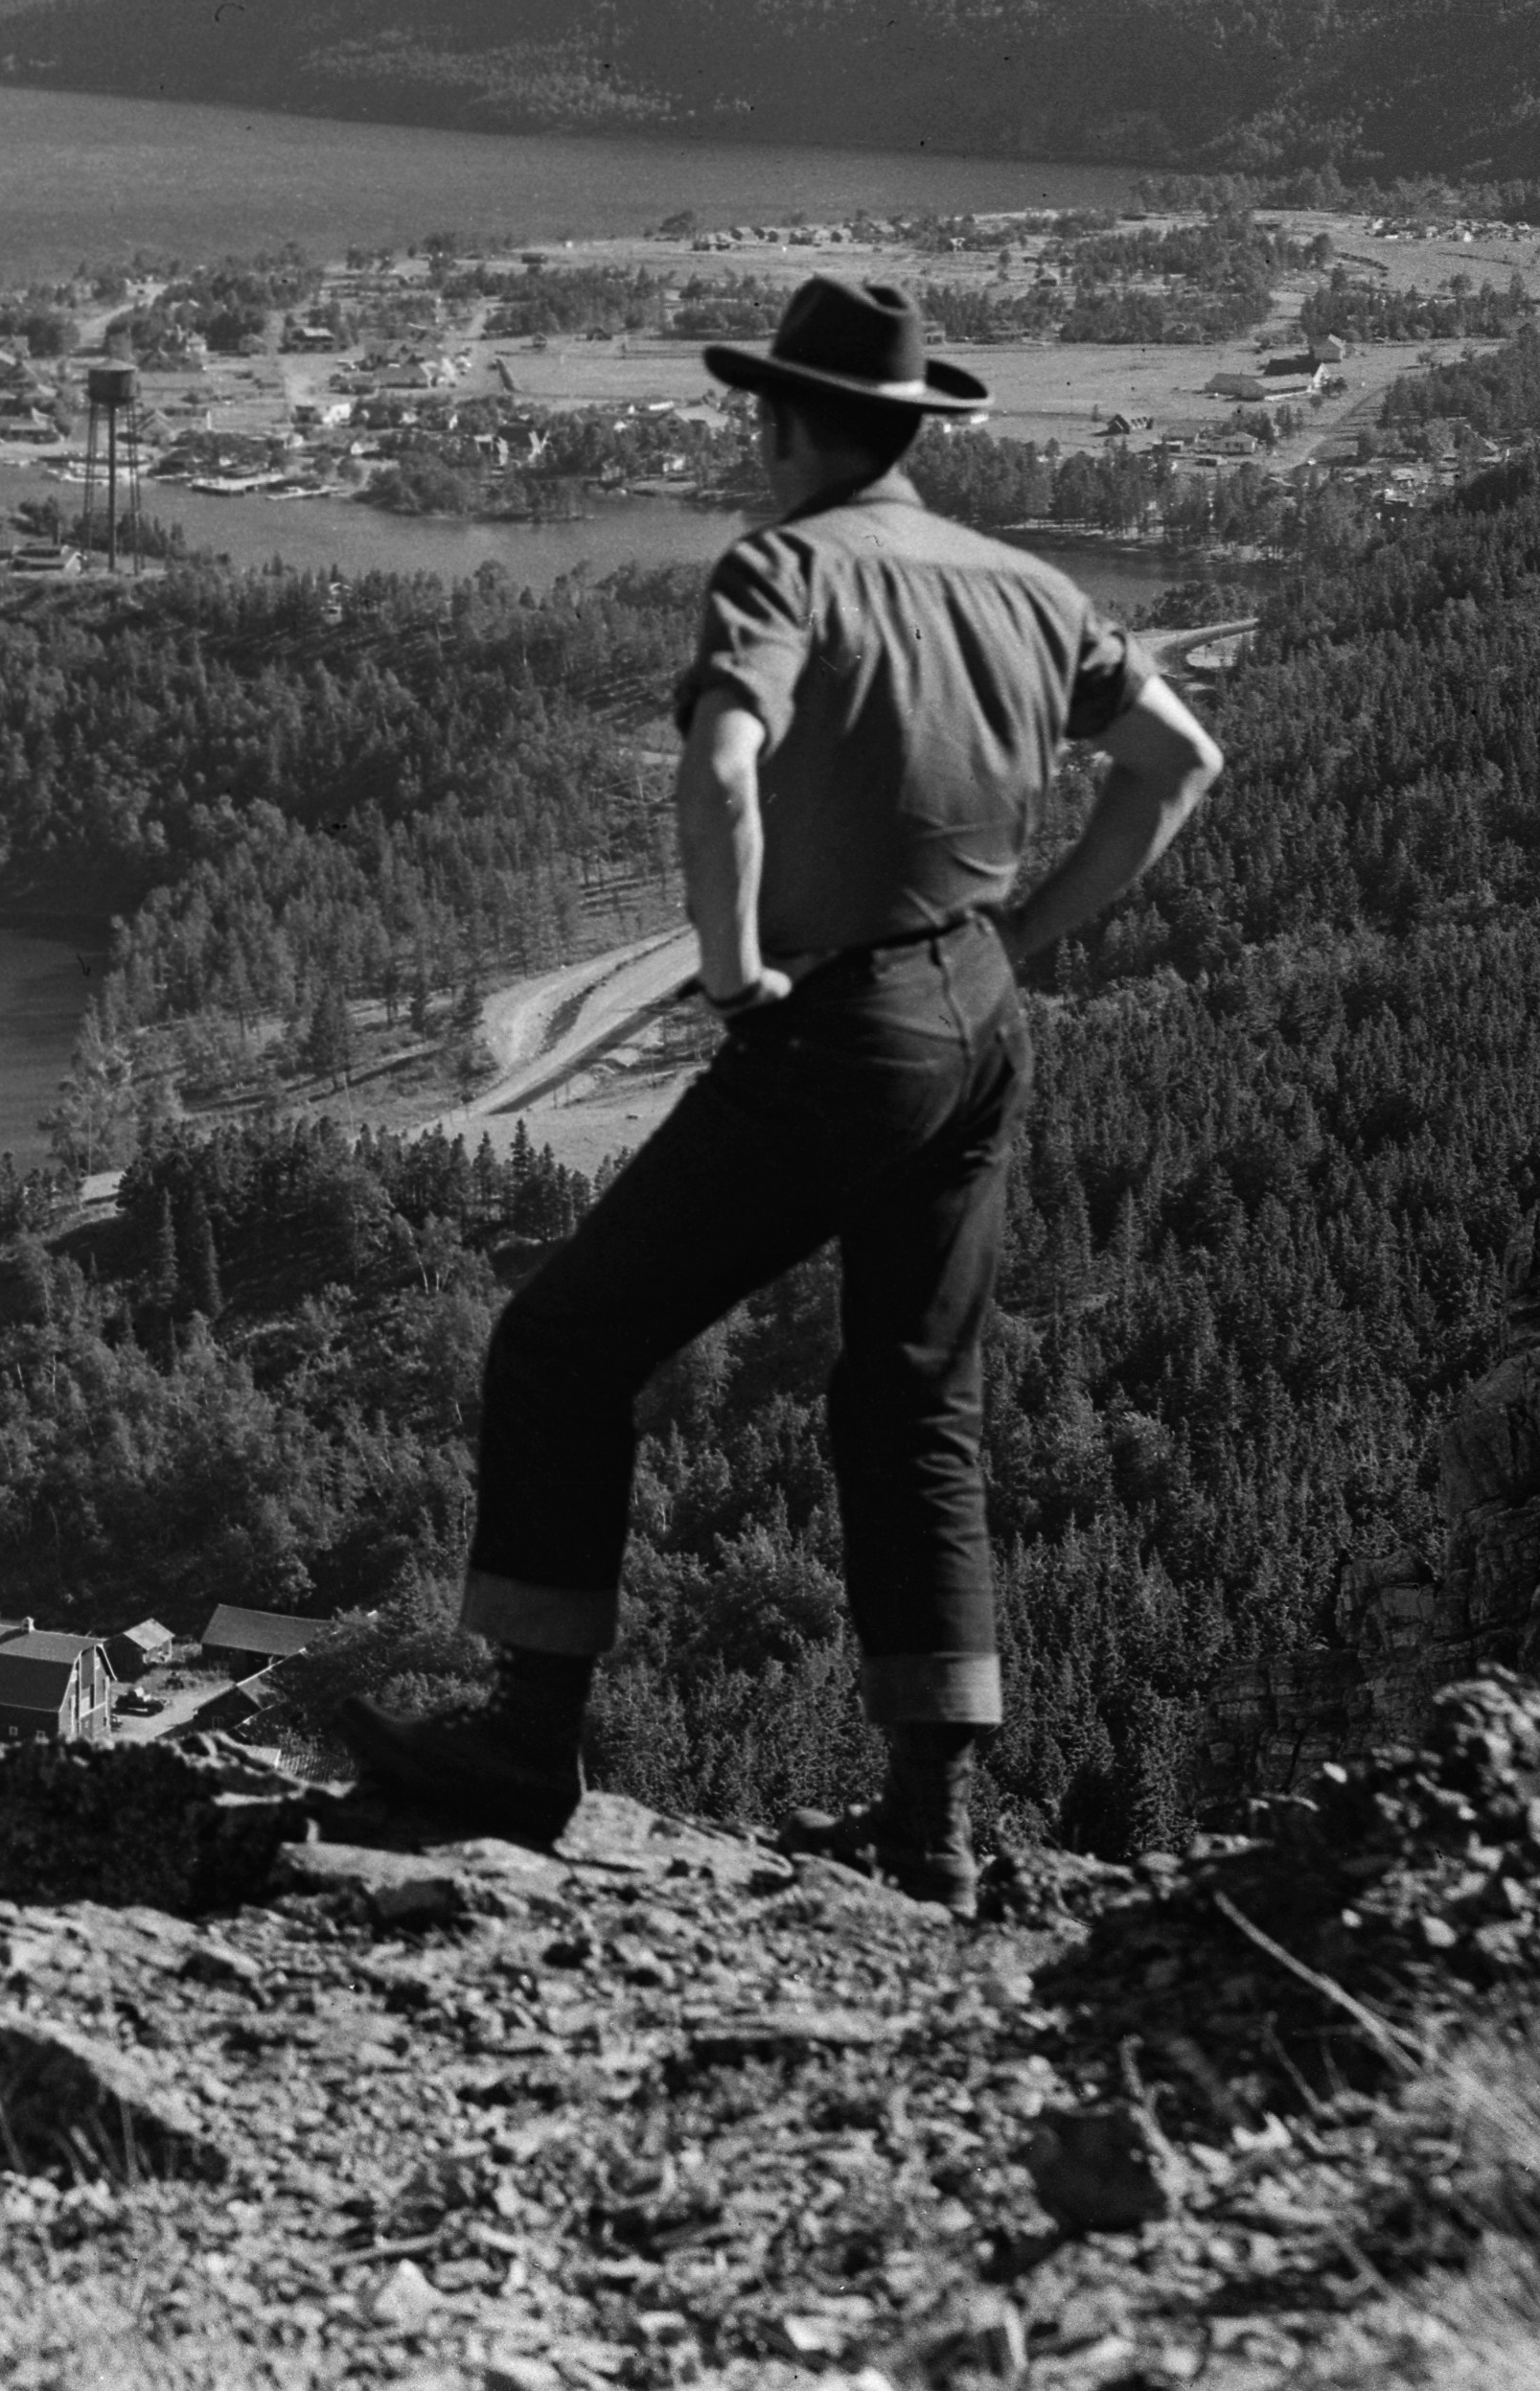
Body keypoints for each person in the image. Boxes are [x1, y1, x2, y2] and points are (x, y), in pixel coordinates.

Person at [336, 271, 1224, 1905]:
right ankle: (931, 1827)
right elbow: (1180, 761)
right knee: (913, 1402)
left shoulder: (783, 568)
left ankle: (526, 1737)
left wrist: (734, 965)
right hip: (976, 1022)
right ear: (909, 429)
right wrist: (1026, 934)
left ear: (787, 424)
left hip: (840, 1026)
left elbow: (723, 767)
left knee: (562, 1345)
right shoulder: (1029, 588)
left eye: (761, 417)